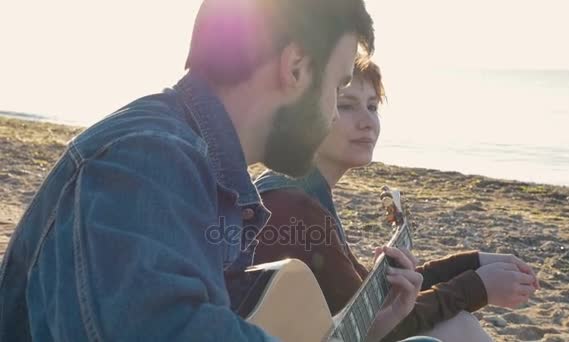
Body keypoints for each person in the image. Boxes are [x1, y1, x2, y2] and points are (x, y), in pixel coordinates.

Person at [0, 1, 383, 340]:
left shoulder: (197, 167)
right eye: (338, 86)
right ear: (296, 68)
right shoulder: (147, 156)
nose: (333, 112)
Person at [253, 56, 541, 342]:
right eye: (346, 105)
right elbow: (372, 328)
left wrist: (473, 262)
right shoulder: (292, 208)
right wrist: (478, 287)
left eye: (372, 107)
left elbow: (371, 299)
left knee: (456, 324)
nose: (367, 122)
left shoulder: (300, 194)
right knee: (457, 326)